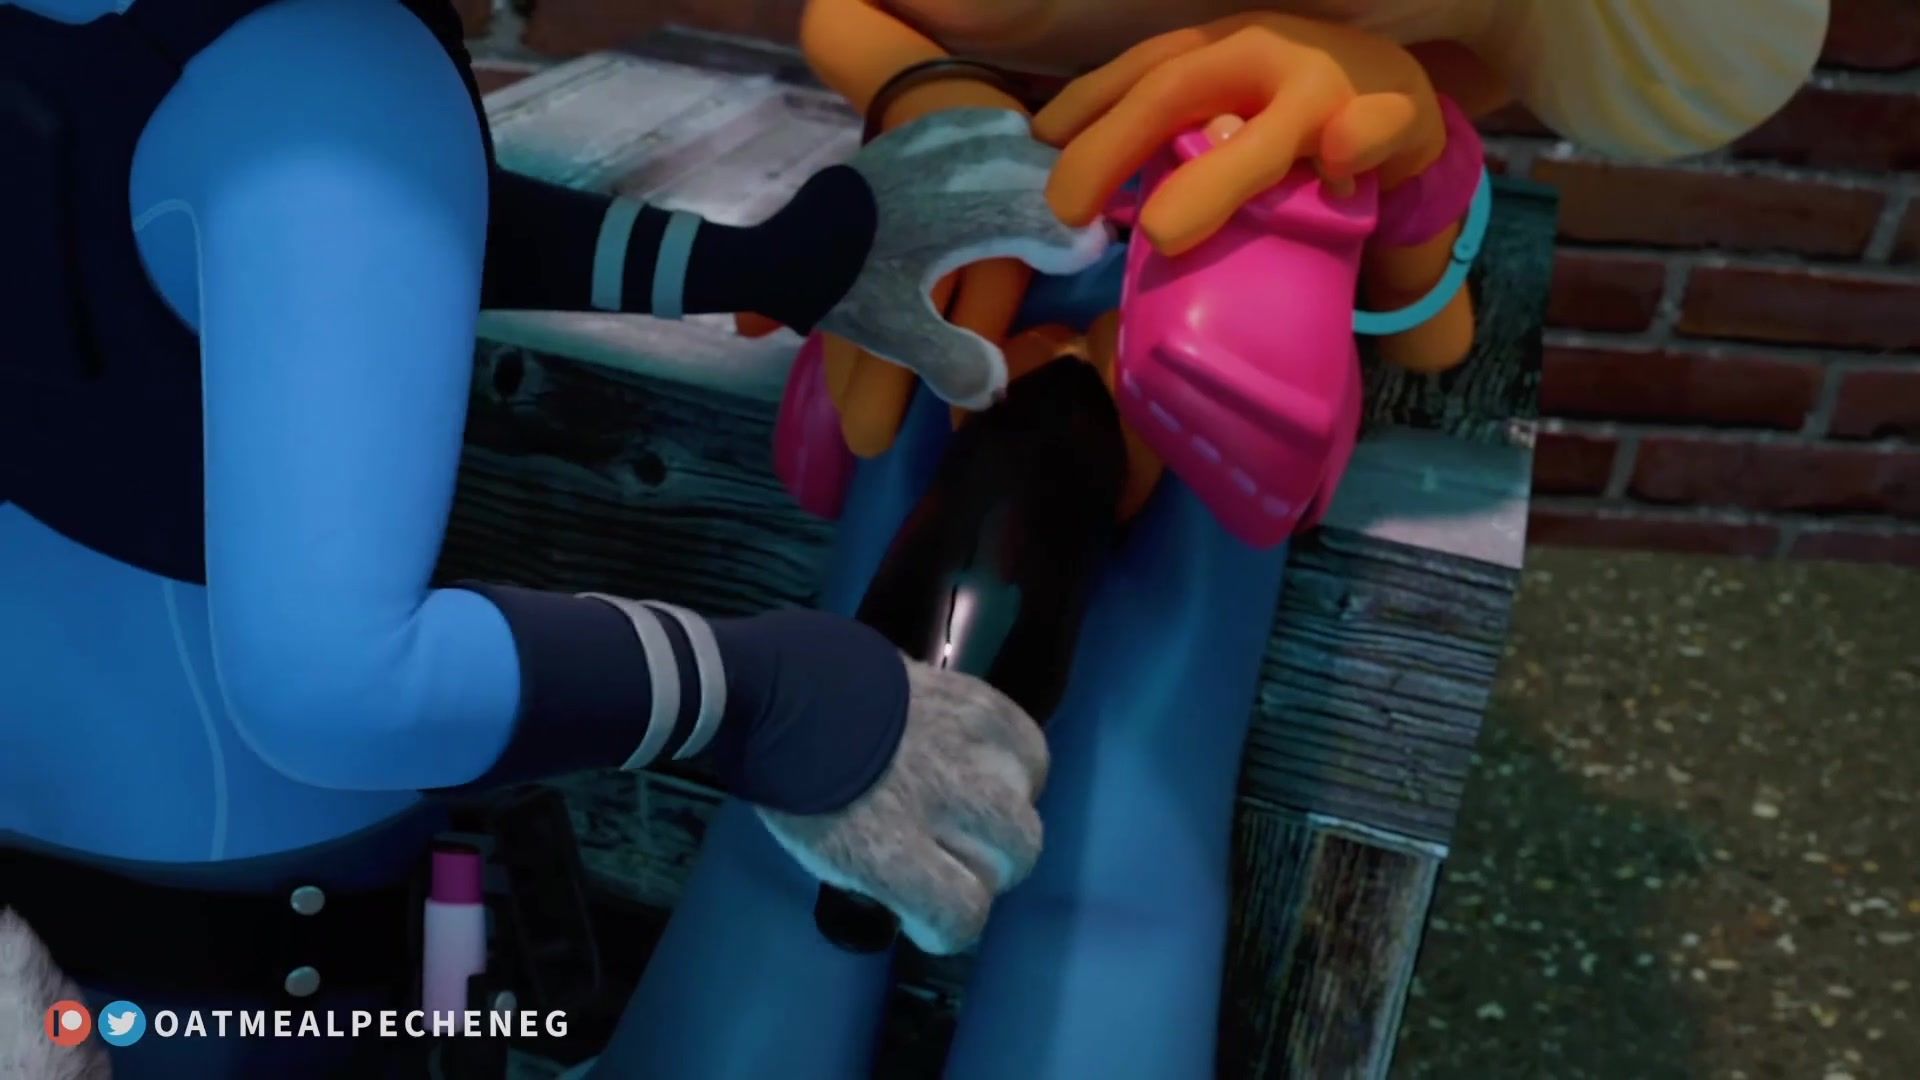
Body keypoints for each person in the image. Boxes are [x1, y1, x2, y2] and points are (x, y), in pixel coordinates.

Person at [617, 1, 1832, 1078]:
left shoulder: (1323, 122)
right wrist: (920, 92)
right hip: (948, 337)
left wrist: (1386, 141)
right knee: (823, 764)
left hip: (1201, 423)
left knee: (1123, 829)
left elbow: (1431, 325)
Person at [0, 0, 1107, 1076]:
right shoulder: (324, 63)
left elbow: (300, 243)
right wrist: (775, 699)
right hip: (251, 958)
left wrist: (757, 266)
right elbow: (331, 691)